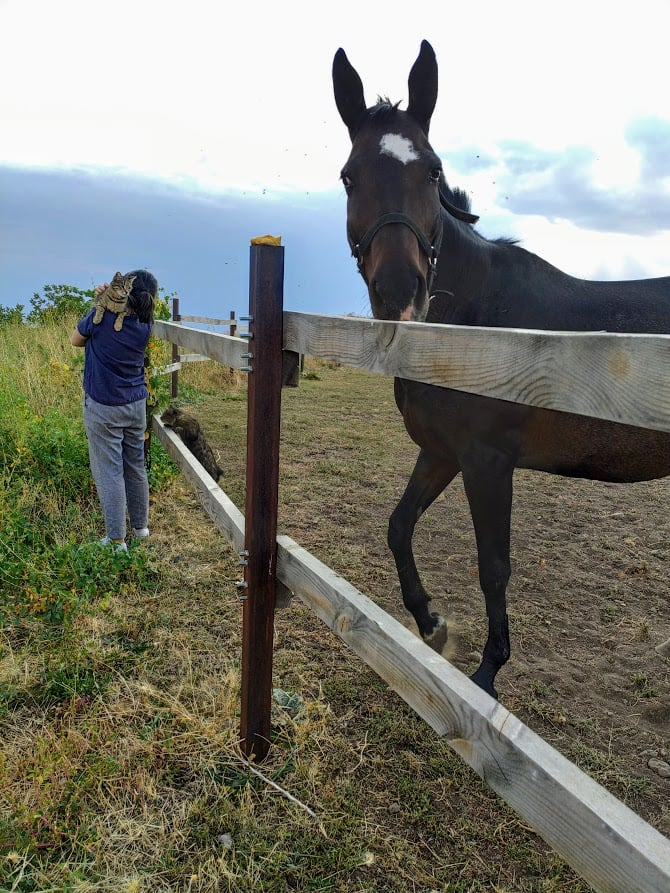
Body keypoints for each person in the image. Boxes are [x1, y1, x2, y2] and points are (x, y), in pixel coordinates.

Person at [71, 269, 158, 552]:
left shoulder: (103, 318)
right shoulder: (146, 323)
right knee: (135, 466)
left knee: (109, 471)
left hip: (104, 404)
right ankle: (141, 529)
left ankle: (116, 540)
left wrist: (97, 301)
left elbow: (76, 339)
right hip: (135, 405)